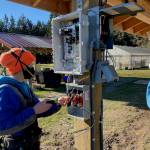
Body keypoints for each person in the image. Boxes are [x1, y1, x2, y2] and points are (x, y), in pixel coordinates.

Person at [0, 48, 61, 150]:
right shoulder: (6, 91)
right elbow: (3, 126)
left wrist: (58, 103)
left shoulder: (24, 86)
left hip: (30, 141)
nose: (34, 69)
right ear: (21, 66)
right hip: (16, 145)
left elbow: (39, 110)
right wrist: (33, 111)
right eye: (31, 65)